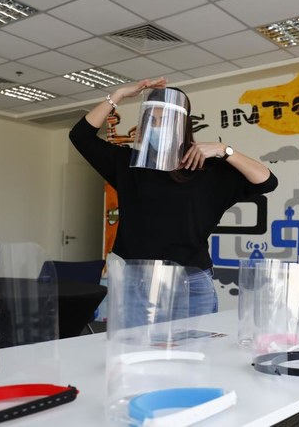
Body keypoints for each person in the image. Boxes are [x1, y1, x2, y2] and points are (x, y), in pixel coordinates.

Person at [69, 77, 278, 321]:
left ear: (183, 123)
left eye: (165, 119)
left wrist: (225, 151)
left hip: (190, 282)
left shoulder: (208, 169)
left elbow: (267, 181)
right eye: (152, 120)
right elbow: (80, 136)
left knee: (194, 352)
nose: (157, 127)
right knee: (132, 353)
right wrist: (119, 94)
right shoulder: (129, 164)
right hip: (135, 280)